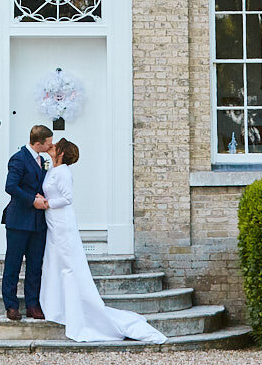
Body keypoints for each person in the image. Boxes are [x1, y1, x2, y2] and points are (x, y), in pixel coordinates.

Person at [38, 138, 168, 343]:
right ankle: (55, 305)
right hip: (53, 221)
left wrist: (46, 204)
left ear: (61, 153)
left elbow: (67, 198)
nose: (51, 147)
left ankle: (75, 311)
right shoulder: (52, 170)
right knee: (54, 261)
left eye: (55, 147)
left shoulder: (63, 172)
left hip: (62, 221)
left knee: (67, 264)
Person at [0, 124, 53, 322]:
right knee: (13, 264)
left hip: (38, 223)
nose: (51, 145)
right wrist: (33, 200)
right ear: (38, 143)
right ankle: (11, 305)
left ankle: (33, 304)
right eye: (48, 142)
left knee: (35, 265)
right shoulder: (18, 158)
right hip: (19, 220)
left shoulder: (43, 160)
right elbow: (10, 186)